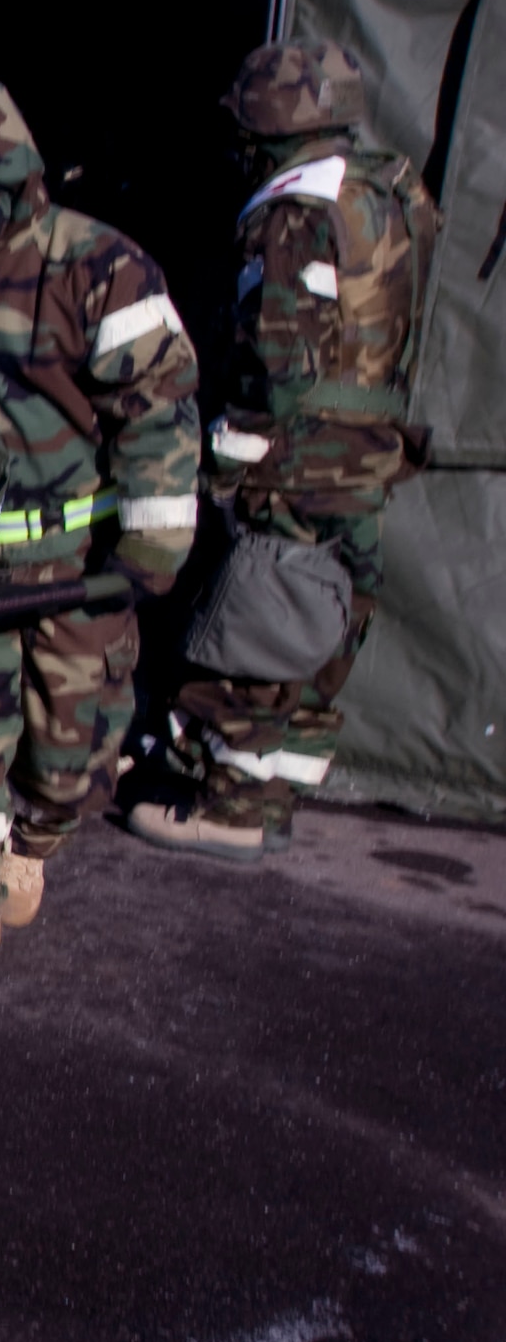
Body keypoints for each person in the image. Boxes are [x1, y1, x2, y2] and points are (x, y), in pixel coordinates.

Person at [0, 75, 200, 977]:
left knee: (70, 745)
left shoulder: (96, 264)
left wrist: (151, 548)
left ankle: (37, 836)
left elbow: (158, 404)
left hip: (77, 561)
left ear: (3, 175)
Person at [129, 42, 436, 861]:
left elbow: (278, 358)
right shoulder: (390, 191)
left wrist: (229, 454)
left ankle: (229, 805)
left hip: (300, 456)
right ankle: (275, 795)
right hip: (370, 452)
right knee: (329, 625)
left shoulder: (292, 212)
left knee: (257, 621)